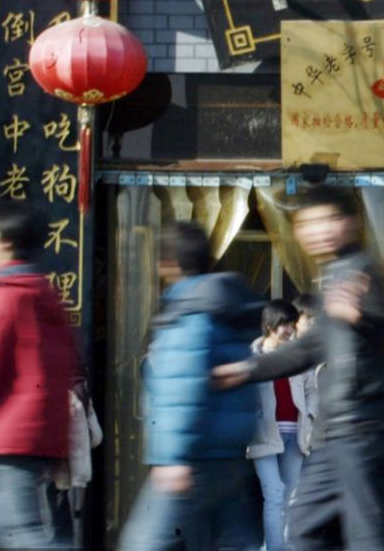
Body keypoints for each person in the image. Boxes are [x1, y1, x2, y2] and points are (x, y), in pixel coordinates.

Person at [213, 185, 384, 551]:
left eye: (328, 220)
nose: (318, 231)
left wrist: (359, 318)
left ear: (350, 223)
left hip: (361, 427)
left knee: (367, 536)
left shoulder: (362, 271)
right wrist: (246, 369)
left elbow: (375, 318)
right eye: (308, 224)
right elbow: (308, 348)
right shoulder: (335, 276)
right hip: (333, 433)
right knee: (305, 531)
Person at [118, 221, 263, 551]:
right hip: (229, 455)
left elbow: (181, 388)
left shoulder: (190, 309)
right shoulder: (226, 307)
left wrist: (173, 457)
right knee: (234, 541)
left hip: (195, 455)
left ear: (167, 263)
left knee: (142, 542)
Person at [0, 202, 78, 549]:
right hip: (17, 438)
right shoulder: (37, 292)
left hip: (4, 440)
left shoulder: (2, 295)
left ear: (4, 242)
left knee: (23, 537)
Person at [248, 300, 317, 551]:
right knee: (274, 494)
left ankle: (276, 546)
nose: (289, 330)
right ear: (269, 326)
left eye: (291, 324)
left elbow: (312, 390)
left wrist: (310, 416)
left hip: (295, 434)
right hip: (264, 435)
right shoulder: (252, 356)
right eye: (284, 325)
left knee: (288, 497)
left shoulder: (298, 355)